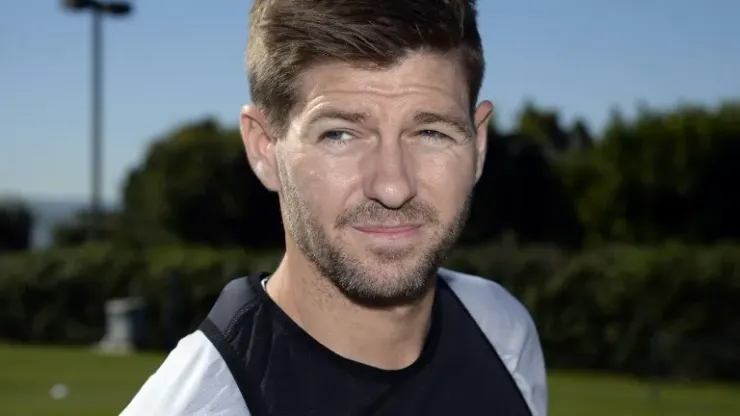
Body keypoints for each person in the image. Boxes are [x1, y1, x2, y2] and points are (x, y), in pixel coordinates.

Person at [120, 0, 547, 415]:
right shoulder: (203, 404)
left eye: (431, 133)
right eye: (339, 135)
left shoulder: (503, 331)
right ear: (264, 149)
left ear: (479, 145)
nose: (393, 187)